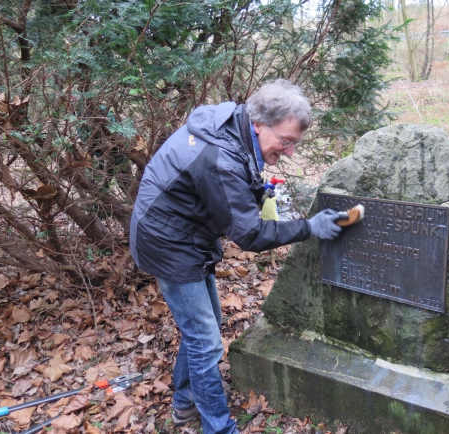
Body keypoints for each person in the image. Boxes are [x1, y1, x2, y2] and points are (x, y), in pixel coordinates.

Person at [130, 79, 344, 434]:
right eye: (286, 141)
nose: (289, 152)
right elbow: (250, 234)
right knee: (206, 341)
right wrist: (311, 227)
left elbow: (237, 179)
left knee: (203, 328)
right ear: (260, 123)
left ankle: (184, 405)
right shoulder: (221, 157)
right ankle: (219, 428)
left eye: (295, 143)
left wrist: (260, 192)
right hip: (168, 244)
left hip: (184, 236)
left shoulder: (233, 122)